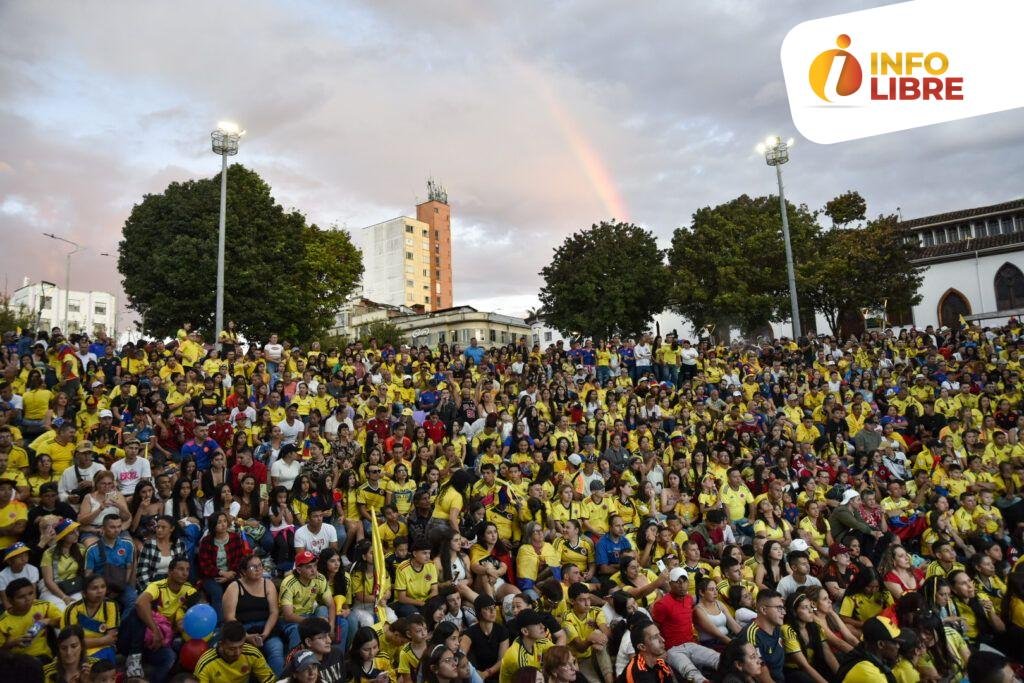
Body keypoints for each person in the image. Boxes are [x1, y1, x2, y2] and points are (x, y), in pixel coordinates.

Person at [122, 556, 196, 681]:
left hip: (163, 641)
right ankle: (134, 657)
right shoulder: (158, 586)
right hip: (139, 637)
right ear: (170, 571)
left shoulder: (189, 589)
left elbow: (201, 607)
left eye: (188, 570)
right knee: (136, 611)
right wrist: (155, 630)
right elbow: (140, 603)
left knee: (171, 656)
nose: (185, 573)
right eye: (181, 569)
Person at [650, 567, 720, 683]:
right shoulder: (662, 604)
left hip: (691, 644)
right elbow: (654, 628)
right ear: (670, 583)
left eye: (685, 581)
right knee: (692, 674)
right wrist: (660, 651)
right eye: (678, 582)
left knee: (720, 659)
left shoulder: (688, 599)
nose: (682, 585)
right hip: (673, 649)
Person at [222, 555, 285, 677]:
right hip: (242, 629)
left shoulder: (268, 584)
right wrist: (246, 636)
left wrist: (265, 634)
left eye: (260, 565)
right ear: (243, 571)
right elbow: (229, 617)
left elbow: (274, 612)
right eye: (253, 567)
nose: (258, 569)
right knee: (244, 655)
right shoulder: (234, 587)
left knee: (276, 650)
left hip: (266, 627)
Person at [279, 550, 335, 650]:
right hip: (292, 620)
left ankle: (330, 657)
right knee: (297, 630)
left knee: (323, 609)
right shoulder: (288, 583)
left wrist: (331, 627)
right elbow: (288, 616)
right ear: (299, 570)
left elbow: (331, 604)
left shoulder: (319, 578)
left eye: (315, 565)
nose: (314, 570)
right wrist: (314, 622)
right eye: (309, 567)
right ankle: (294, 660)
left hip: (310, 614)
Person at [60, 573, 119, 663]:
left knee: (108, 655)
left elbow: (111, 638)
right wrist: (103, 640)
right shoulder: (72, 609)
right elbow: (70, 644)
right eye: (94, 588)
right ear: (84, 593)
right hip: (78, 652)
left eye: (103, 587)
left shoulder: (111, 605)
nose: (100, 591)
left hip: (103, 649)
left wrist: (82, 642)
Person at [780, 591, 838, 683]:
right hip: (794, 672)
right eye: (805, 607)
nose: (811, 610)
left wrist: (842, 677)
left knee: (836, 662)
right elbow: (804, 665)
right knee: (802, 677)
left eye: (810, 606)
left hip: (811, 667)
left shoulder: (814, 626)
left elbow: (827, 653)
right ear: (794, 612)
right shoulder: (787, 629)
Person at [193, 619, 276, 682]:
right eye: (232, 648)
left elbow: (269, 680)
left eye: (241, 646)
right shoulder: (205, 664)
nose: (238, 652)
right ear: (221, 644)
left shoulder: (252, 654)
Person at [0, 578, 62, 659]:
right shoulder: (2, 622)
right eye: (21, 597)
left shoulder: (44, 606)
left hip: (43, 656)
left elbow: (65, 622)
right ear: (10, 600)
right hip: (16, 661)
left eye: (31, 593)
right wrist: (11, 643)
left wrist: (47, 621)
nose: (28, 599)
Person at [835, 616, 903, 682]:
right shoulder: (873, 676)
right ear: (880, 644)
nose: (898, 646)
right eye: (895, 642)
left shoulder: (862, 650)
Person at [284, 616, 348, 683]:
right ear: (308, 642)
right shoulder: (296, 662)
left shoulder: (337, 653)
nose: (329, 641)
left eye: (328, 635)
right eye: (322, 637)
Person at [462, 594, 509, 683]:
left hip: (497, 675)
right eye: (487, 608)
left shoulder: (502, 631)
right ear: (479, 612)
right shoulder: (470, 632)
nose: (493, 611)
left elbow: (502, 660)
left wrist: (486, 673)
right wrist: (474, 673)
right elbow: (461, 654)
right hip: (475, 675)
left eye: (494, 607)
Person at [743, 590, 786, 683]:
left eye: (783, 608)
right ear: (763, 610)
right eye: (779, 608)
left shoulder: (777, 627)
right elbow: (762, 676)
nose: (784, 612)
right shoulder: (751, 635)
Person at [499, 609, 553, 683]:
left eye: (541, 622)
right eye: (537, 624)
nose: (543, 626)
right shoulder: (516, 657)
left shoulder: (538, 641)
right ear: (525, 631)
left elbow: (559, 652)